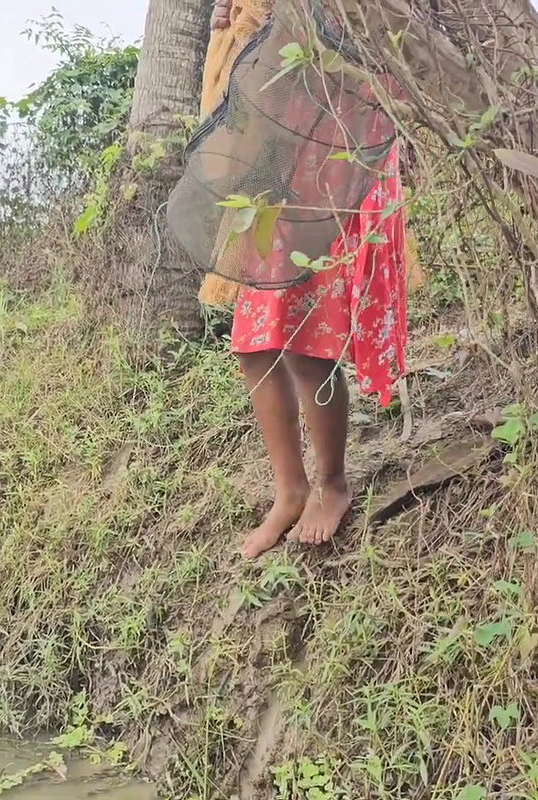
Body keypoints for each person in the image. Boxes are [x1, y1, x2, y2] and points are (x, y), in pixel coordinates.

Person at [201, 0, 411, 559]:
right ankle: (290, 490)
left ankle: (332, 483)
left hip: (334, 145)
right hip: (272, 151)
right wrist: (230, 22)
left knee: (305, 341)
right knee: (254, 343)